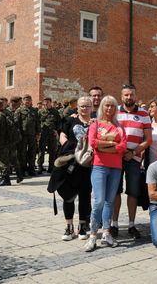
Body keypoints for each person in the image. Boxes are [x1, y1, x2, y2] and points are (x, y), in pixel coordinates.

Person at [84, 95, 127, 252]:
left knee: (110, 201)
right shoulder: (96, 124)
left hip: (115, 167)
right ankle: (93, 235)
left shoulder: (119, 127)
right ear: (102, 107)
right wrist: (111, 143)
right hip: (99, 166)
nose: (109, 108)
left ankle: (106, 232)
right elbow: (93, 143)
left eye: (112, 106)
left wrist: (105, 147)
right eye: (107, 105)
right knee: (99, 201)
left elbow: (123, 147)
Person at [111, 84, 152, 240]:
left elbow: (148, 140)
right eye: (126, 95)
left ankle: (131, 224)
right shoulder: (114, 112)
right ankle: (114, 224)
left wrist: (133, 152)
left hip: (134, 158)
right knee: (115, 191)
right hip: (115, 157)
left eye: (132, 95)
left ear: (136, 96)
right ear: (121, 97)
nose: (129, 97)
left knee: (133, 192)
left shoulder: (144, 114)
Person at [58, 96, 95, 241]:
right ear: (77, 108)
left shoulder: (95, 123)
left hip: (87, 165)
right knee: (68, 195)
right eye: (82, 106)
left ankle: (82, 226)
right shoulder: (70, 120)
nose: (84, 109)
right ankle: (69, 226)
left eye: (87, 106)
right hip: (71, 163)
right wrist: (71, 149)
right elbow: (62, 136)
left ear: (92, 108)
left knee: (85, 195)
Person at [0, 98, 16, 186]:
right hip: (10, 140)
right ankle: (12, 177)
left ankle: (6, 179)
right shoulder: (8, 113)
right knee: (9, 159)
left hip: (2, 142)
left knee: (3, 161)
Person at [15, 94, 41, 176]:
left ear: (31, 101)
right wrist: (18, 134)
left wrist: (38, 133)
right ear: (23, 101)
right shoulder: (19, 110)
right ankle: (22, 169)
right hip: (23, 136)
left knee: (32, 152)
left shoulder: (34, 111)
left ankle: (31, 169)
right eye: (26, 100)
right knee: (22, 153)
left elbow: (37, 123)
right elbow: (16, 124)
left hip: (32, 135)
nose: (27, 102)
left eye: (29, 100)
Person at [38, 97, 61, 173]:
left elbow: (59, 122)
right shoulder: (40, 112)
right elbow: (37, 122)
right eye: (44, 102)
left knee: (52, 151)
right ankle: (40, 167)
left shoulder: (55, 112)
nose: (45, 104)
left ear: (50, 102)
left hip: (52, 134)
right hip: (43, 134)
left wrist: (56, 130)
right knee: (41, 150)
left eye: (47, 102)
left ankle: (51, 167)